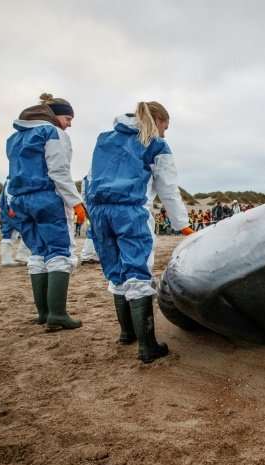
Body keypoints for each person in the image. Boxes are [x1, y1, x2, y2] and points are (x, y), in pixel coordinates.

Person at [87, 101, 193, 363]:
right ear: (156, 120)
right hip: (131, 212)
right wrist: (183, 225)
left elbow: (89, 177)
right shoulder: (156, 144)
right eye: (165, 127)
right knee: (138, 273)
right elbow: (168, 188)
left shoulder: (104, 138)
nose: (165, 133)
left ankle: (127, 333)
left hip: (99, 212)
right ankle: (147, 347)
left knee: (117, 272)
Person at [6, 93, 84, 331]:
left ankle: (43, 313)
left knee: (37, 254)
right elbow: (58, 171)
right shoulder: (52, 132)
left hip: (20, 200)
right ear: (54, 115)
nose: (69, 123)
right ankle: (57, 314)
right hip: (46, 198)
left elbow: (11, 172)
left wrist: (10, 202)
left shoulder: (14, 137)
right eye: (68, 118)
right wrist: (76, 202)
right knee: (60, 253)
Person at [0, 180, 31, 266]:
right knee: (29, 230)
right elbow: (10, 192)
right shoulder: (15, 177)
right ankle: (22, 256)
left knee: (8, 233)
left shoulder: (10, 178)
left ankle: (6, 259)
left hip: (7, 209)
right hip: (14, 209)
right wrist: (12, 207)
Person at [79, 175, 100, 264]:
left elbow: (83, 195)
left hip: (90, 204)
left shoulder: (85, 178)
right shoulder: (95, 175)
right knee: (94, 229)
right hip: (95, 204)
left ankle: (90, 254)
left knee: (94, 229)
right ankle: (88, 254)